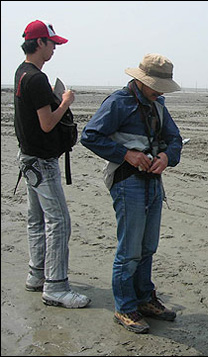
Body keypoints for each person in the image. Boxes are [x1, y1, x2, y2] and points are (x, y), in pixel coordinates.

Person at [80, 53, 183, 333]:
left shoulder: (158, 105)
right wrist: (126, 155)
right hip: (127, 182)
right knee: (129, 250)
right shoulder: (118, 102)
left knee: (148, 246)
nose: (160, 91)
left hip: (152, 182)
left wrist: (165, 157)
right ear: (140, 80)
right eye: (156, 86)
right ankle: (125, 308)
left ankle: (144, 298)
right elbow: (89, 136)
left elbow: (175, 140)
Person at [14, 20, 91, 308]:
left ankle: (37, 274)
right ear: (39, 44)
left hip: (28, 158)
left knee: (37, 219)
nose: (55, 48)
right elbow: (47, 124)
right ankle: (56, 286)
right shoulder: (34, 78)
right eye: (52, 43)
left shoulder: (22, 73)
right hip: (41, 162)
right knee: (59, 221)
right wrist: (65, 102)